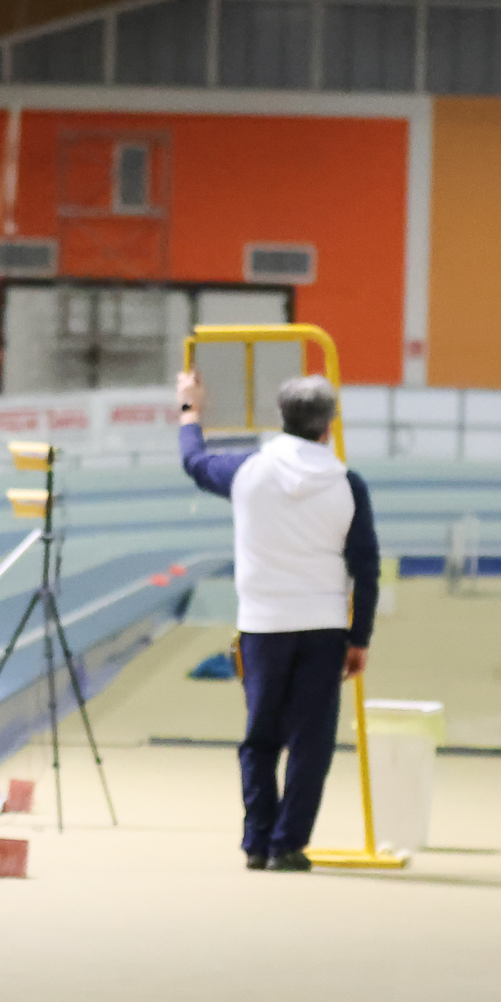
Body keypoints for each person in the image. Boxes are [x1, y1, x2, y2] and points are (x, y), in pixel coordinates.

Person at [176, 368, 380, 871]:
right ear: (329, 424)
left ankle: (256, 841)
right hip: (324, 628)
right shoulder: (347, 484)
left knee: (260, 737)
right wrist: (359, 638)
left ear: (281, 418)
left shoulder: (248, 471)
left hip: (262, 627)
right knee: (311, 743)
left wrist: (189, 408)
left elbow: (194, 462)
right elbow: (367, 568)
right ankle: (287, 845)